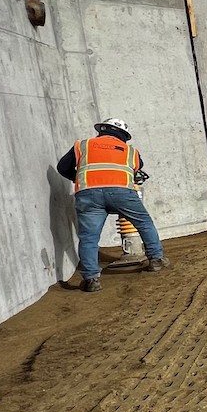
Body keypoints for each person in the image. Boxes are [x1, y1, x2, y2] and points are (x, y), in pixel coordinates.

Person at [56, 118, 167, 292]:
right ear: (123, 135)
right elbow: (138, 167)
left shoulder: (83, 145)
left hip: (88, 194)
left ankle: (91, 279)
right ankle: (156, 259)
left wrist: (78, 179)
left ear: (102, 130)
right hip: (122, 193)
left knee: (89, 238)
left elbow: (63, 167)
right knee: (144, 223)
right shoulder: (130, 151)